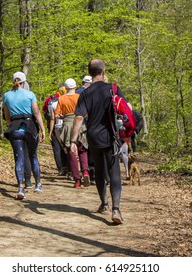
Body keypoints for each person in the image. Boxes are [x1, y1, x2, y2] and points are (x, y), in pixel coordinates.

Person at [70, 59, 132, 225]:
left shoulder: (84, 93)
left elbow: (78, 117)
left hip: (93, 136)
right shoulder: (113, 88)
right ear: (103, 71)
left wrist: (73, 141)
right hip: (111, 136)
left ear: (89, 73)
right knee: (114, 172)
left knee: (99, 169)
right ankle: (116, 209)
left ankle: (104, 203)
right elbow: (128, 107)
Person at [3, 71, 46, 200]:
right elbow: (37, 113)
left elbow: (7, 116)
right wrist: (43, 129)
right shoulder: (30, 94)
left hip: (15, 129)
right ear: (24, 82)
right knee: (33, 155)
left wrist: (12, 125)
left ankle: (21, 188)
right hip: (30, 127)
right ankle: (38, 184)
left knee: (19, 158)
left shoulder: (7, 96)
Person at [54, 78, 90, 188]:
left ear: (66, 87)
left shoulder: (61, 98)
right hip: (80, 124)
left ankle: (77, 180)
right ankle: (85, 171)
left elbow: (56, 115)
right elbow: (86, 113)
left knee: (72, 152)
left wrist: (62, 116)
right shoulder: (80, 97)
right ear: (75, 87)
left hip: (67, 125)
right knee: (82, 150)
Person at [43, 84, 68, 176]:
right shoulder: (69, 98)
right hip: (67, 128)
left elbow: (47, 114)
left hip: (55, 128)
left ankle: (61, 168)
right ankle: (69, 169)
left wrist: (50, 130)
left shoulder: (50, 100)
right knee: (67, 148)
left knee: (57, 149)